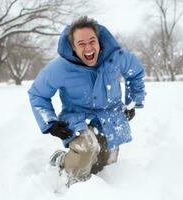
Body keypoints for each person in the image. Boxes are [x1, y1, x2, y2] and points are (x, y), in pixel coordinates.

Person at [28, 16, 145, 189]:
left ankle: (70, 160)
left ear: (99, 42)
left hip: (109, 117)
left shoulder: (117, 58)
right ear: (73, 47)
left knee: (104, 165)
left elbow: (135, 73)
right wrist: (50, 122)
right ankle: (67, 178)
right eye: (81, 43)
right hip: (78, 118)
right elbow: (38, 94)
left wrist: (132, 102)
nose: (88, 47)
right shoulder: (60, 67)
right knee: (86, 150)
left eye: (92, 41)